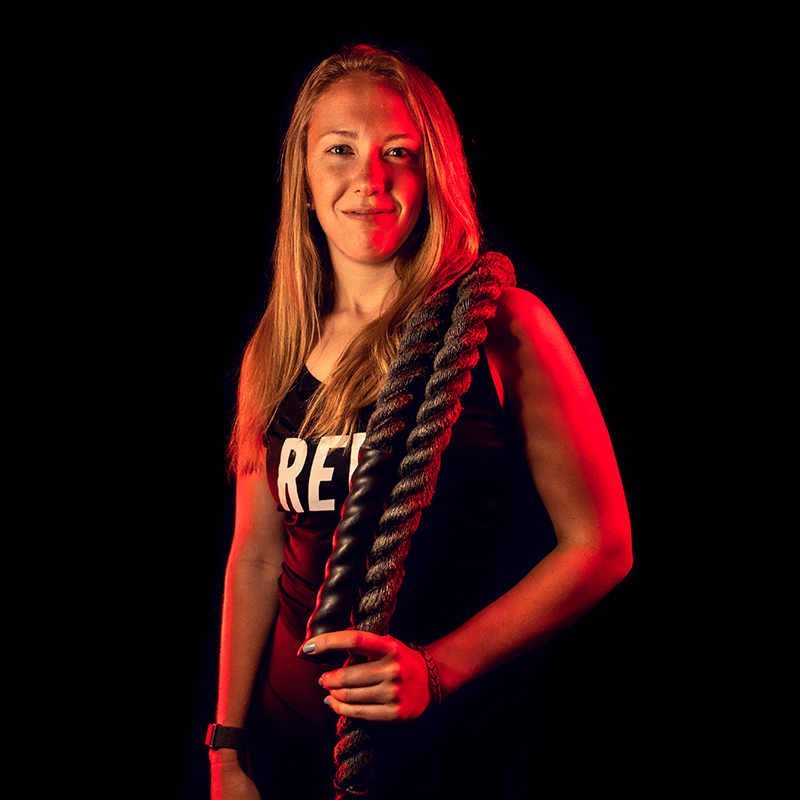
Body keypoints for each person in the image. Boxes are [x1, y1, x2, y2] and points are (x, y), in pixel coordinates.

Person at [208, 45, 632, 800]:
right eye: (340, 149)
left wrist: (440, 669)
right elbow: (257, 559)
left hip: (450, 756)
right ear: (303, 178)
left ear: (433, 172)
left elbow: (600, 546)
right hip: (280, 757)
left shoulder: (501, 327)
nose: (369, 179)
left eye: (398, 151)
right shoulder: (275, 348)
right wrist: (228, 753)